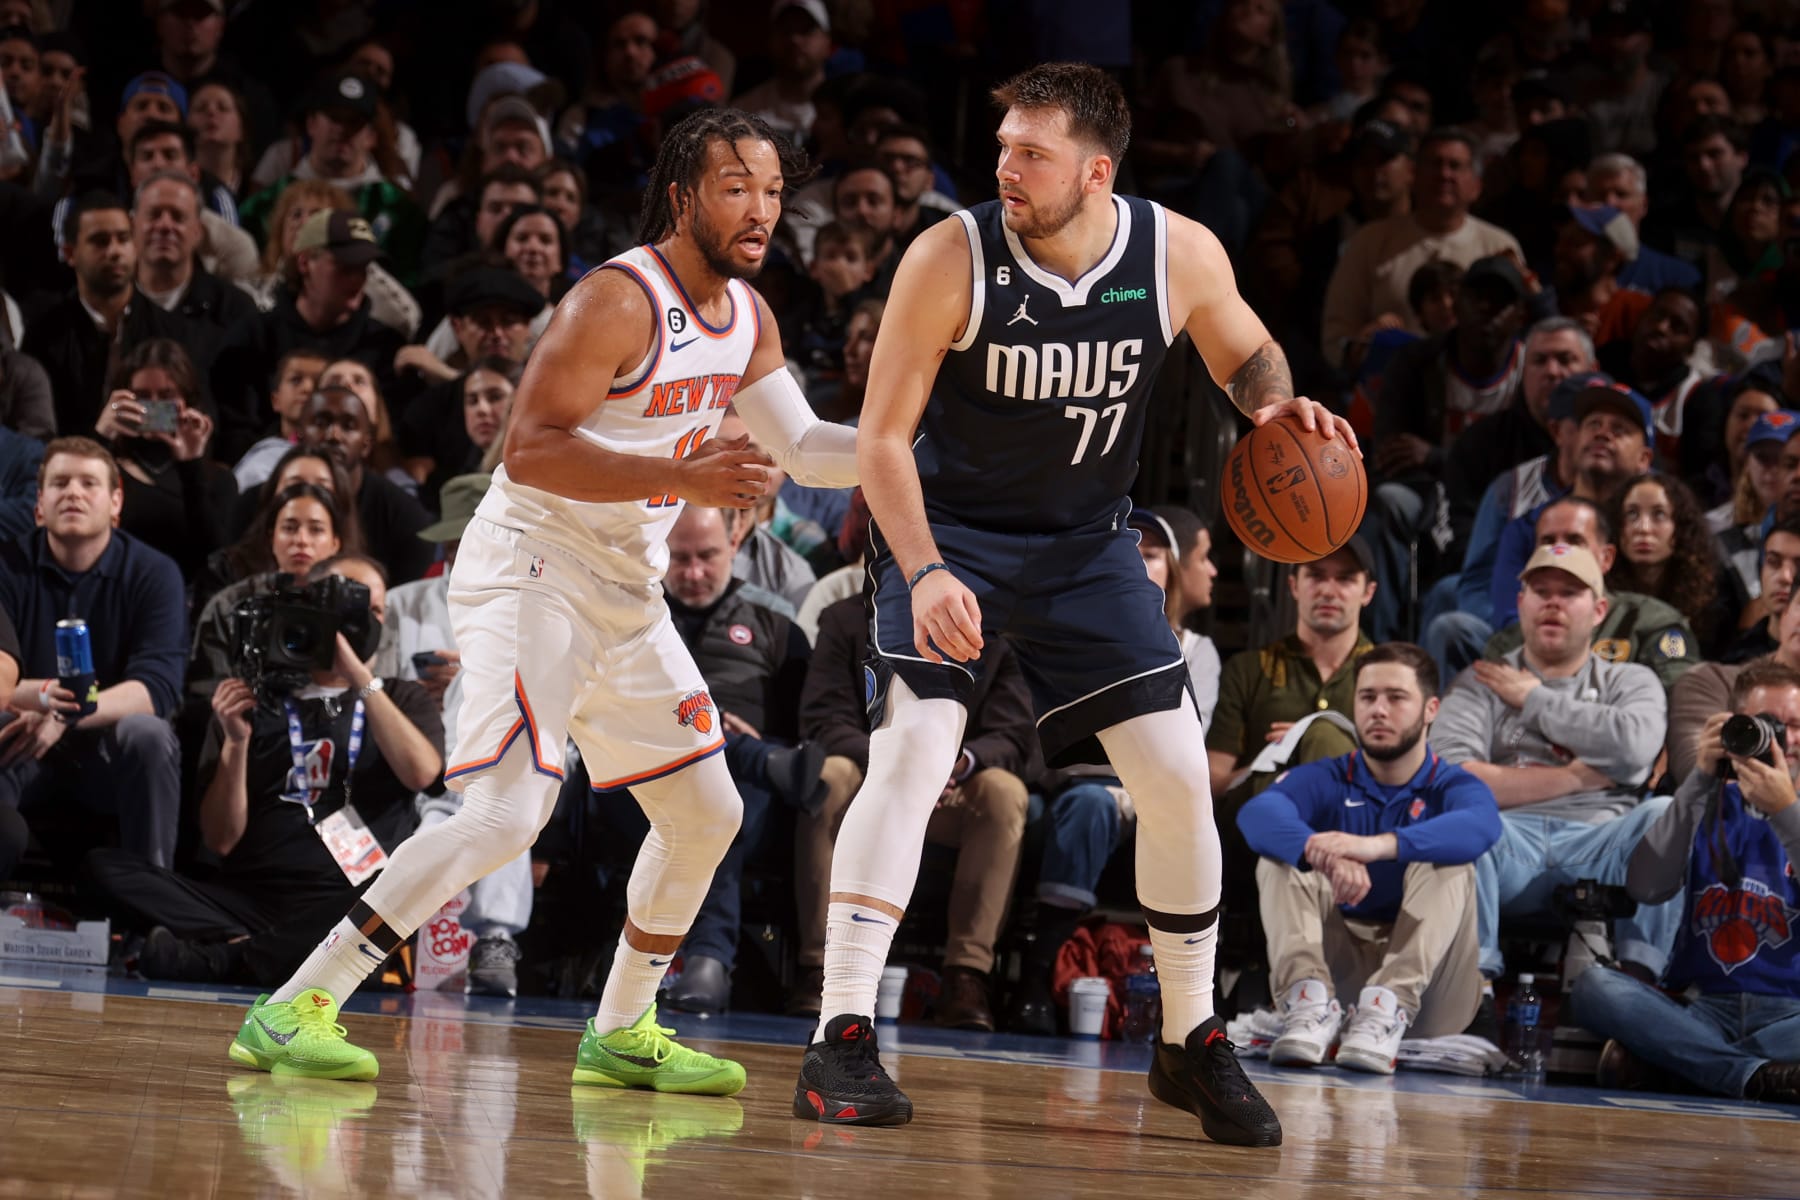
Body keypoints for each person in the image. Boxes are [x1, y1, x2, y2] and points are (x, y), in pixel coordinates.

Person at [225, 108, 858, 1089]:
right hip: (535, 565)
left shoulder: (752, 315)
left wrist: (914, 448)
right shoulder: (616, 301)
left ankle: (619, 1031)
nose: (762, 209)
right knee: (511, 812)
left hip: (624, 586)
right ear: (687, 194)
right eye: (739, 187)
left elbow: (808, 446)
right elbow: (531, 448)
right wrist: (686, 478)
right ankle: (296, 1003)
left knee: (706, 811)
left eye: (774, 191)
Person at [791, 63, 1339, 1145]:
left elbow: (1249, 354)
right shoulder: (949, 257)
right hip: (946, 534)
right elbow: (882, 439)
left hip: (1088, 544)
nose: (1004, 168)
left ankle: (1189, 1040)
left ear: (1097, 171)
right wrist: (930, 569)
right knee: (914, 749)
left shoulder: (1176, 251)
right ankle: (839, 1035)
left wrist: (1281, 409)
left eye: (1029, 154)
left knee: (1180, 776)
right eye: (1001, 146)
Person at [90, 555, 443, 988]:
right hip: (250, 898)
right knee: (104, 867)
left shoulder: (402, 697)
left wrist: (357, 676)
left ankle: (227, 960)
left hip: (349, 898)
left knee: (395, 903)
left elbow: (421, 774)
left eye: (375, 611)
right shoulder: (256, 701)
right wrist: (236, 742)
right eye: (351, 603)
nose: (362, 620)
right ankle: (275, 952)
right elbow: (220, 839)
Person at [1239, 642, 1500, 1072]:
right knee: (1282, 856)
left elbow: (1483, 825)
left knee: (1451, 859)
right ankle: (1308, 1000)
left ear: (1431, 709)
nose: (1379, 710)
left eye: (1396, 698)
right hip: (1340, 980)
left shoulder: (1452, 784)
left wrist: (1375, 846)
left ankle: (1389, 1004)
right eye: (1368, 697)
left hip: (1432, 993)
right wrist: (1319, 853)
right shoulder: (1329, 775)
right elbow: (1258, 814)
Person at [1430, 542, 1679, 985]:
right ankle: (1473, 987)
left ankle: (1639, 985)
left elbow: (1635, 747)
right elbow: (1454, 778)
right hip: (1508, 843)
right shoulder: (1480, 681)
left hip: (1601, 841)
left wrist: (1533, 700)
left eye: (1569, 592)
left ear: (1599, 609)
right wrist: (1575, 776)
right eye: (1540, 590)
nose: (1553, 603)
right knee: (1458, 819)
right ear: (1520, 602)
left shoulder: (1631, 680)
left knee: (1665, 815)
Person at [794, 591, 1034, 1028]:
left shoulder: (1001, 628)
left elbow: (1014, 734)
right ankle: (820, 966)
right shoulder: (846, 618)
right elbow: (823, 719)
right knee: (827, 778)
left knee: (1004, 792)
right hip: (869, 774)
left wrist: (954, 765)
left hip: (953, 786)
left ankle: (967, 972)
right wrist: (902, 766)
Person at [1568, 659, 1800, 1104]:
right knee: (1595, 988)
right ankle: (1753, 1076)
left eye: (1792, 725)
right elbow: (1647, 888)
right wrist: (1698, 780)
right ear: (1733, 728)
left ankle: (1680, 1064)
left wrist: (1784, 808)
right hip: (1704, 1009)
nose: (1780, 739)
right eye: (1764, 724)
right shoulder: (1703, 802)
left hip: (1791, 1014)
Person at [0, 437, 185, 869]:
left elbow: (154, 690)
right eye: (60, 482)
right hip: (28, 740)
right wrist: (42, 700)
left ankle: (154, 906)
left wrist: (63, 713)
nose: (74, 493)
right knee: (3, 725)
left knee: (149, 734)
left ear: (116, 502)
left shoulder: (155, 573)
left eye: (89, 483)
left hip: (107, 746)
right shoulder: (6, 567)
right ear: (39, 504)